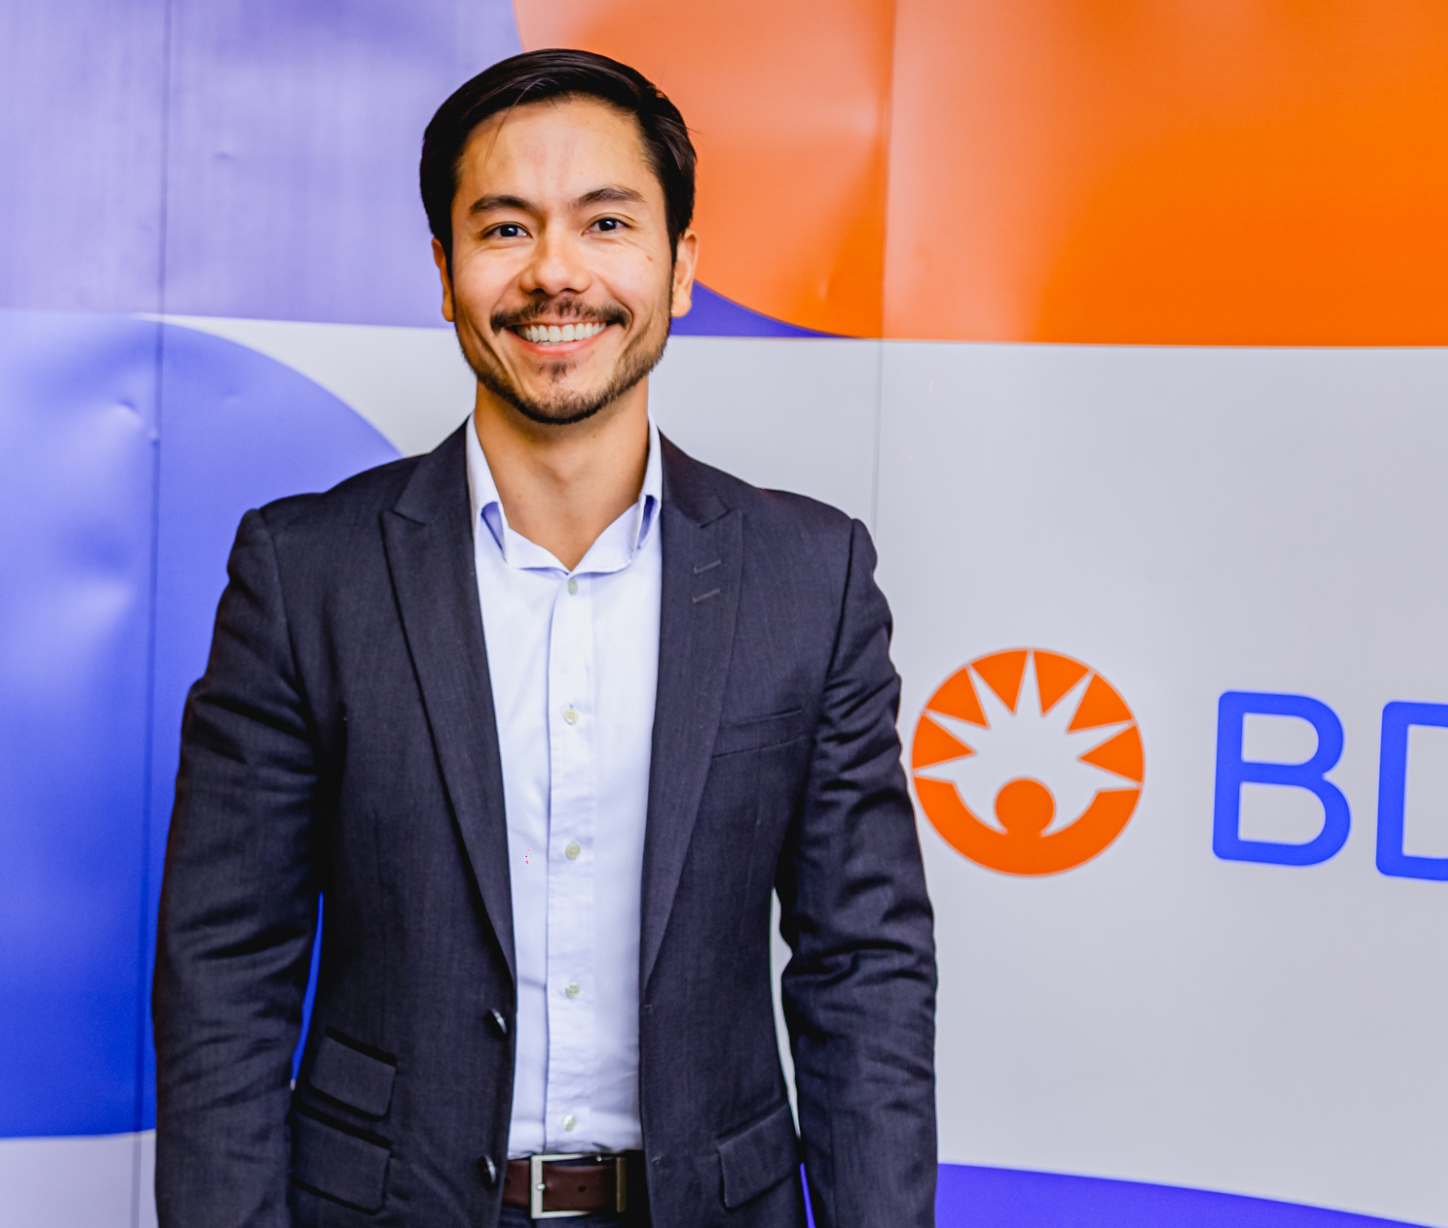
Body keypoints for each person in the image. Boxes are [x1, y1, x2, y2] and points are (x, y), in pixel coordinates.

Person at [153, 48, 936, 1228]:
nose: (555, 275)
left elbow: (862, 971)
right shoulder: (303, 572)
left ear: (679, 269)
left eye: (606, 222)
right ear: (446, 272)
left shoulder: (808, 577)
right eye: (506, 229)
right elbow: (224, 970)